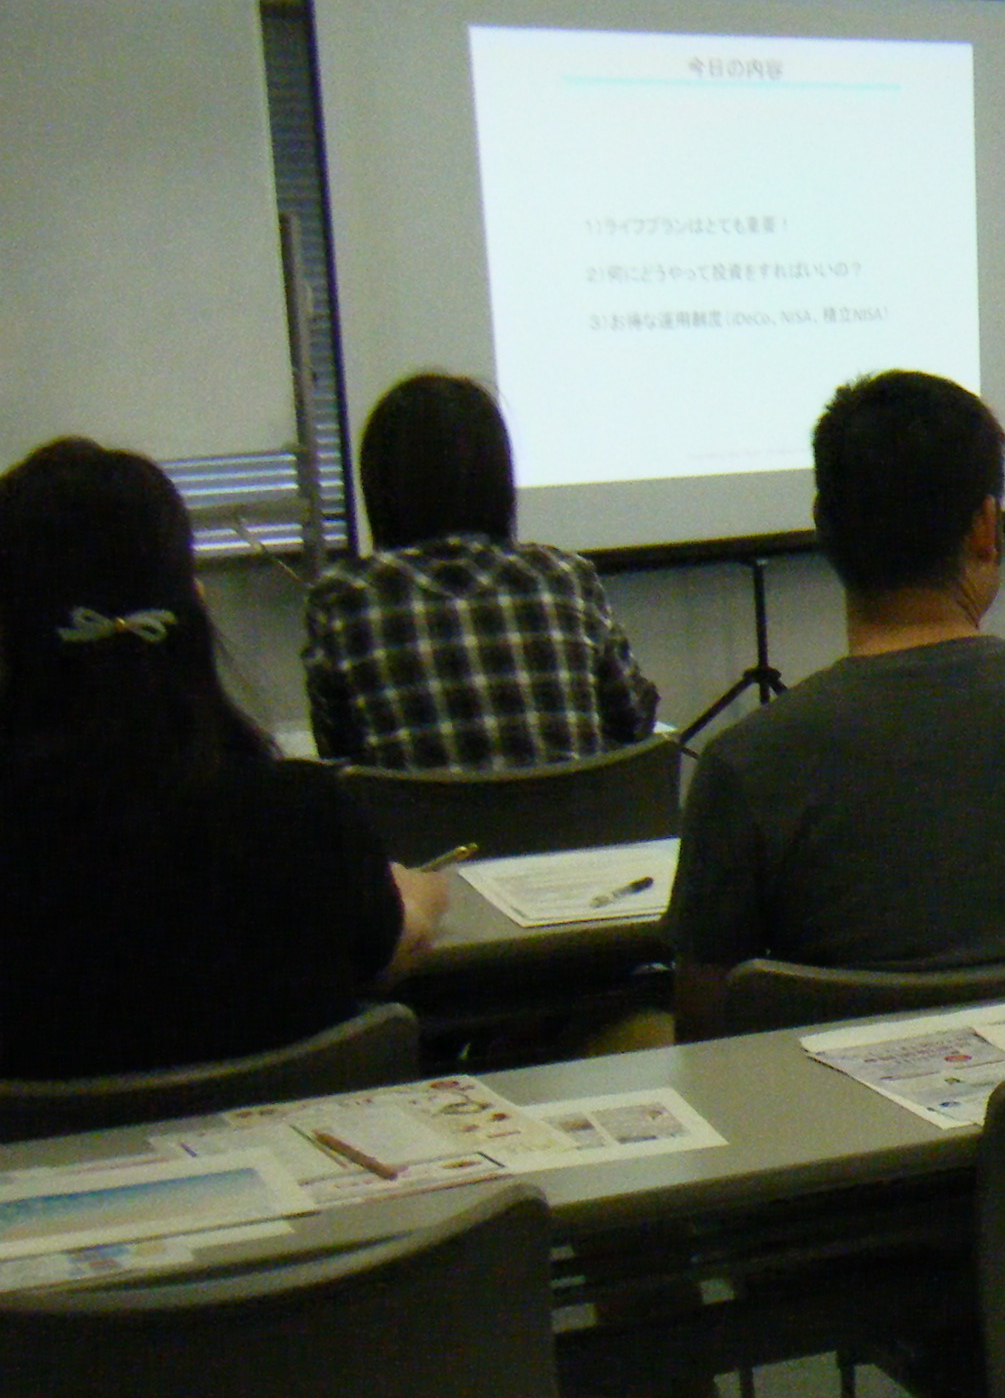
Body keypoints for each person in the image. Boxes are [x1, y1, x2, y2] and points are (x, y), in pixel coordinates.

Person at [664, 371, 1005, 1037]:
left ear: (824, 529)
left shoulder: (747, 762)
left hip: (837, 1100)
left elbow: (706, 1029)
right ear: (985, 527)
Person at [0, 436, 442, 1079]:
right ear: (195, 604)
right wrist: (419, 894)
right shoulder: (303, 823)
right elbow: (393, 944)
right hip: (292, 1143)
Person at [301, 371, 659, 770]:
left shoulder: (344, 597)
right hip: (570, 811)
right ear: (499, 476)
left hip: (419, 813)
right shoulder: (565, 578)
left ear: (381, 484)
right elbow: (634, 719)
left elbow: (337, 750)